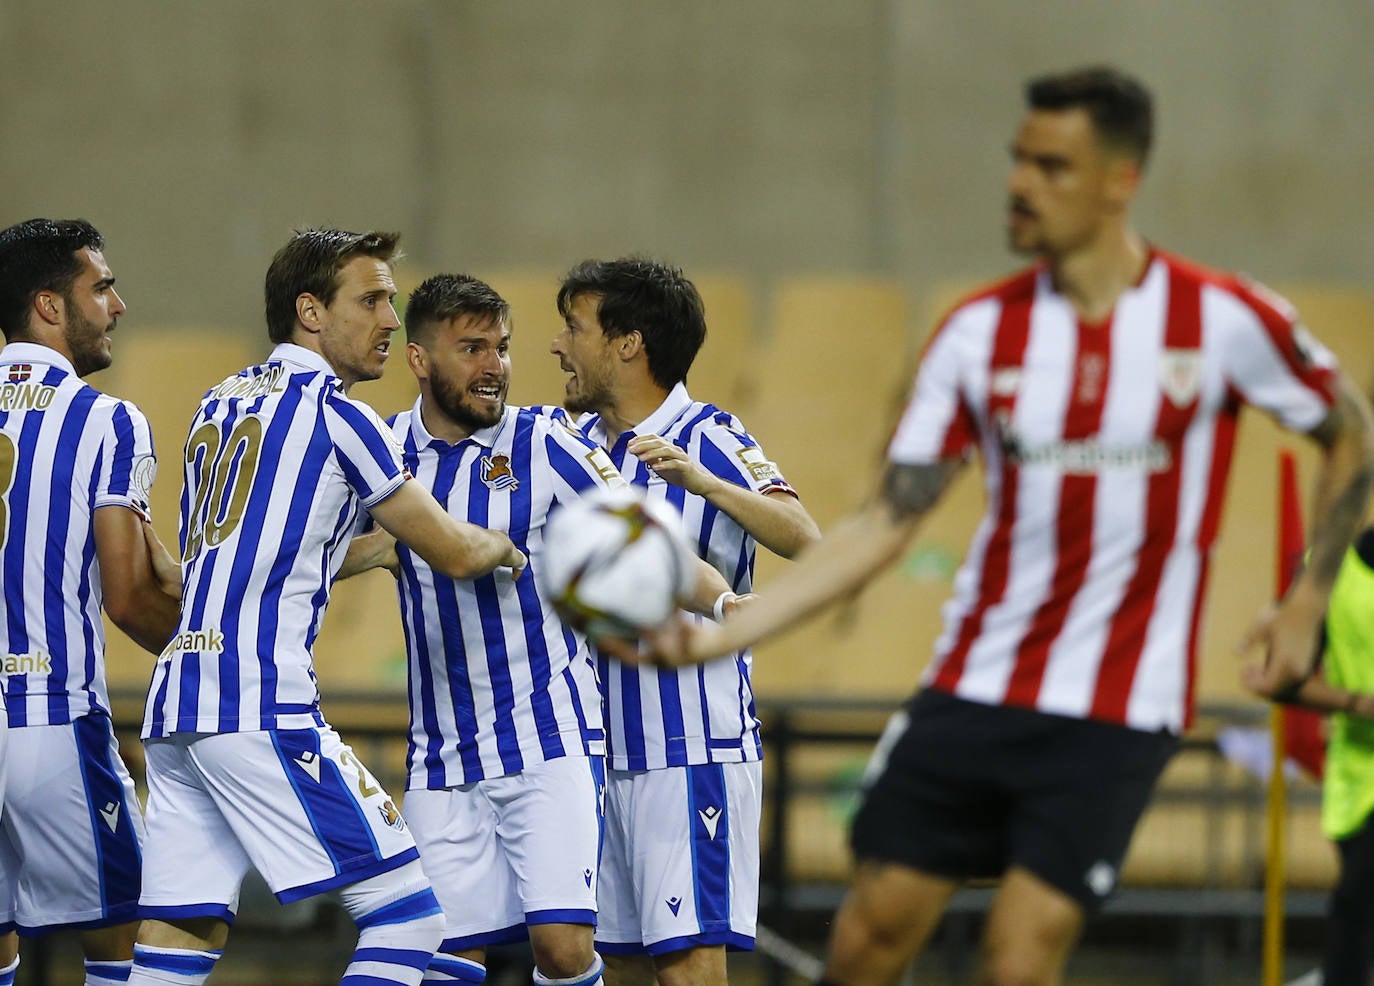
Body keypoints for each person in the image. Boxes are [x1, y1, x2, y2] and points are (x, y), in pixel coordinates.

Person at [636, 67, 1374, 986]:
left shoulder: (1219, 318)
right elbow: (883, 523)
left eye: (1053, 166)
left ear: (1120, 180)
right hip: (977, 681)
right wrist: (732, 631)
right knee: (868, 936)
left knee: (1018, 958)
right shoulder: (979, 335)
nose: (1021, 183)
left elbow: (1347, 428)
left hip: (1119, 706)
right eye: (1019, 160)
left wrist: (1308, 599)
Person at [125, 229, 527, 986]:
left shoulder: (221, 401)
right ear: (310, 310)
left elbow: (280, 550)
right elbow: (454, 550)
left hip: (178, 706)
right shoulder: (342, 416)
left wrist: (381, 549)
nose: (390, 319)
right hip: (259, 702)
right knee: (412, 917)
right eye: (371, 300)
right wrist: (514, 548)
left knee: (181, 932)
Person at [550, 257, 821, 986]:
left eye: (575, 327)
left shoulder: (710, 433)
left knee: (690, 969)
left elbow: (804, 535)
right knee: (619, 967)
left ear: (627, 343)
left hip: (690, 748)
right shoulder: (570, 446)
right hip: (599, 752)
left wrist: (702, 482)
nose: (558, 346)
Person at [377, 273, 618, 986]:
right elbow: (327, 551)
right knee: (445, 959)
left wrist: (724, 603)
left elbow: (641, 539)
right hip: (442, 755)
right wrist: (396, 545)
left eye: (503, 348)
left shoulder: (544, 442)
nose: (495, 367)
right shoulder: (384, 450)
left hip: (549, 735)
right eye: (472, 347)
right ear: (419, 360)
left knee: (563, 948)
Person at [0, 218, 181, 986]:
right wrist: (206, 654)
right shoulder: (106, 419)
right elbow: (129, 594)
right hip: (49, 719)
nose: (118, 305)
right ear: (49, 305)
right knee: (127, 948)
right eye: (101, 288)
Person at [1278, 527, 1374, 986]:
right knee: (1355, 911)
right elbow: (1283, 678)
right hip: (1357, 780)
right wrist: (1358, 703)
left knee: (1355, 907)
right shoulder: (1328, 566)